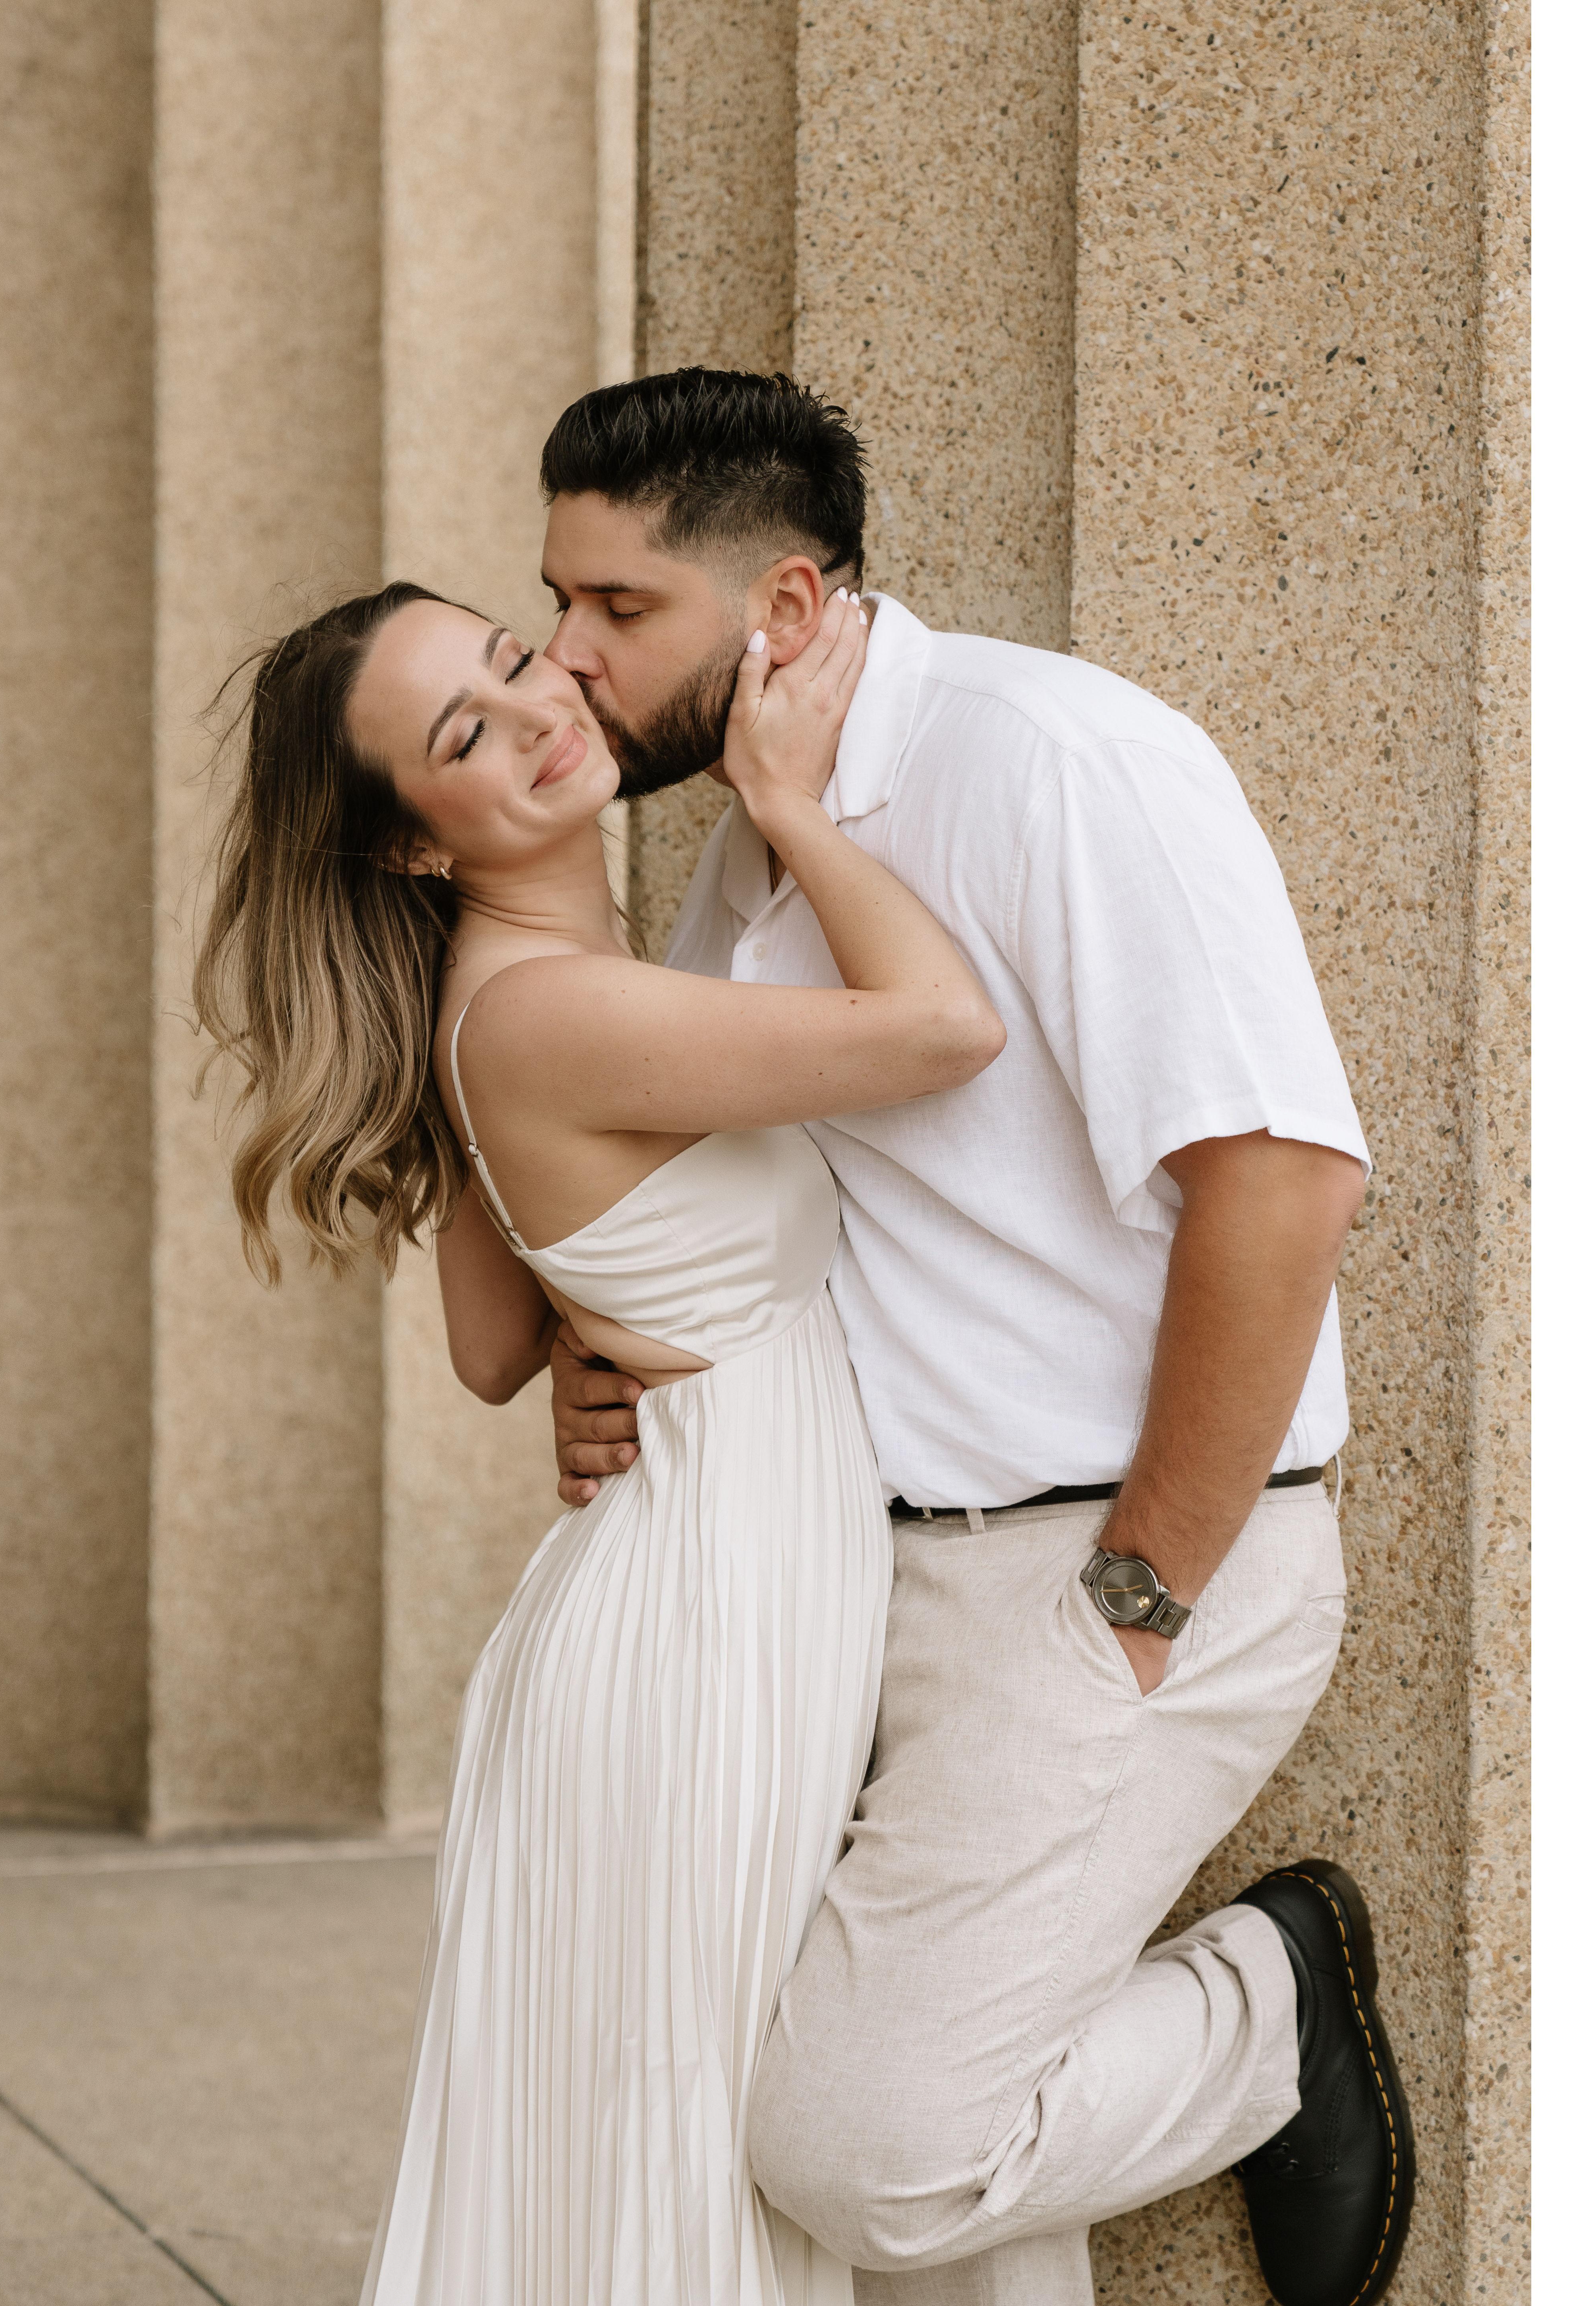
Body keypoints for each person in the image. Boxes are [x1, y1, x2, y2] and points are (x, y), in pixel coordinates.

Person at [539, 369, 1415, 2306]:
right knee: (895, 2214)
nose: (570, 655)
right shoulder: (743, 848)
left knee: (873, 2150)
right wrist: (612, 1360)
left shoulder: (1058, 763)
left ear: (782, 607)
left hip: (1109, 1560)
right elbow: (765, 1210)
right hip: (856, 1579)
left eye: (619, 608)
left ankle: (1269, 2004)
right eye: (560, 599)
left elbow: (1283, 1183)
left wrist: (1139, 1597)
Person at [192, 575, 1005, 2304]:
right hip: (711, 1616)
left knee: (671, 2133)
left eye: (512, 662)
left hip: (696, 1578)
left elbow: (496, 1346)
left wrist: (609, 1325)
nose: (541, 714)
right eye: (466, 735)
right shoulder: (550, 1007)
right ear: (414, 842)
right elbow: (946, 1029)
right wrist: (787, 800)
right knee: (692, 2135)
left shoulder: (515, 993)